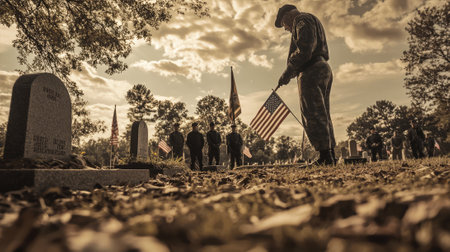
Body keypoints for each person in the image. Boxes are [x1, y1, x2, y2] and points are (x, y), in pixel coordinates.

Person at [274, 4, 335, 165]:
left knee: (313, 112)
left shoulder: (301, 20)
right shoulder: (312, 18)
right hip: (322, 67)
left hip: (311, 71)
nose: (286, 29)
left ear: (287, 16)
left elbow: (304, 49)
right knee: (323, 113)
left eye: (284, 25)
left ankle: (325, 156)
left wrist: (288, 72)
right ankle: (330, 153)